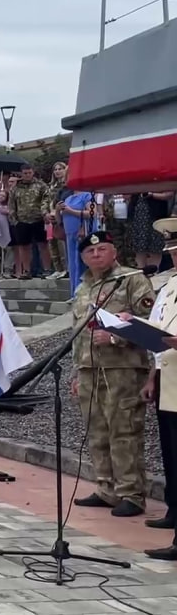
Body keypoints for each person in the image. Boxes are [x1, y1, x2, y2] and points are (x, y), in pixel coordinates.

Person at [69, 231, 154, 518]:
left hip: (124, 369)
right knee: (97, 432)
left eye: (101, 249)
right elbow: (78, 334)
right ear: (82, 257)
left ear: (113, 251)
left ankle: (131, 493)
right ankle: (106, 488)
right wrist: (76, 371)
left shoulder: (131, 279)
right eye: (90, 252)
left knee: (124, 430)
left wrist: (116, 337)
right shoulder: (82, 288)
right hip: (90, 369)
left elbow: (150, 323)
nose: (96, 255)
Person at [143, 218, 177, 559]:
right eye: (172, 251)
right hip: (168, 377)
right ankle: (173, 510)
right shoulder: (168, 287)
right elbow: (158, 332)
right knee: (170, 450)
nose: (175, 257)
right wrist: (152, 376)